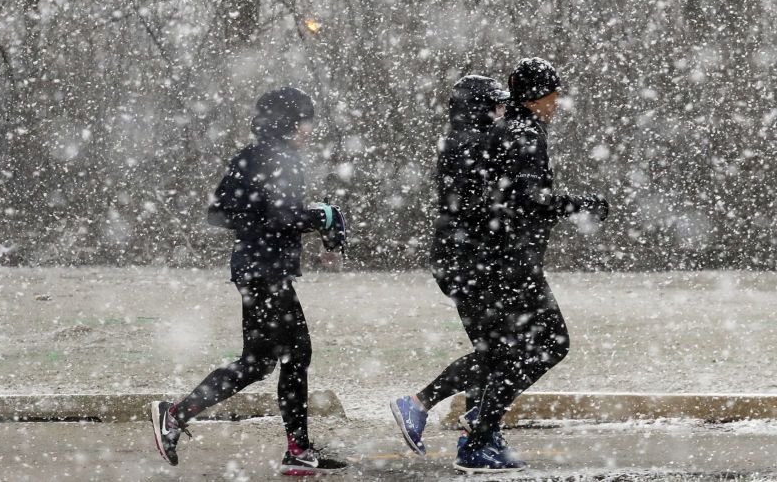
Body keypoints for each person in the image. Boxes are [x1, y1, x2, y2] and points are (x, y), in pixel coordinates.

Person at [148, 87, 349, 476]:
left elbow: (219, 212)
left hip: (252, 269)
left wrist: (264, 215)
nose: (309, 129)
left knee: (258, 363)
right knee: (295, 355)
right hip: (267, 271)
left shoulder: (251, 155)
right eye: (305, 121)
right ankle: (296, 450)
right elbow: (282, 216)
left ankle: (177, 415)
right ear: (288, 122)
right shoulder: (281, 159)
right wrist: (322, 216)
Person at [454, 57, 608, 472]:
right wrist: (581, 204)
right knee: (551, 343)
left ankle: (480, 430)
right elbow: (529, 200)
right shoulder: (524, 134)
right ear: (536, 97)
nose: (557, 103)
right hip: (513, 262)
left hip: (498, 259)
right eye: (552, 95)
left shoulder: (508, 129)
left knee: (505, 351)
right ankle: (477, 430)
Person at [390, 75, 511, 456]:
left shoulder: (464, 140)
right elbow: (486, 205)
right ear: (479, 107)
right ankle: (420, 403)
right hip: (468, 261)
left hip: (463, 259)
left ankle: (477, 435)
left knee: (490, 349)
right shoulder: (473, 144)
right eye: (497, 104)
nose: (502, 111)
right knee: (498, 352)